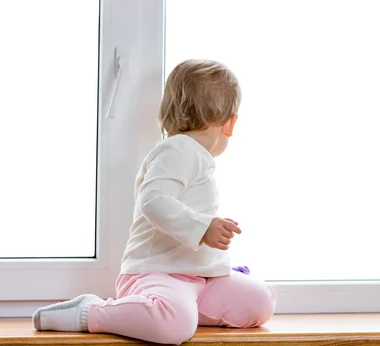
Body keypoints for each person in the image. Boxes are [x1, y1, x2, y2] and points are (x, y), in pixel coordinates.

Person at [33, 59, 276, 345]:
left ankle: (184, 304)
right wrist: (204, 227)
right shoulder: (178, 150)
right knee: (175, 325)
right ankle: (90, 312)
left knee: (260, 301)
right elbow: (153, 201)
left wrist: (212, 258)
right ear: (230, 123)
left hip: (195, 277)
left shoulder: (194, 154)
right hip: (157, 273)